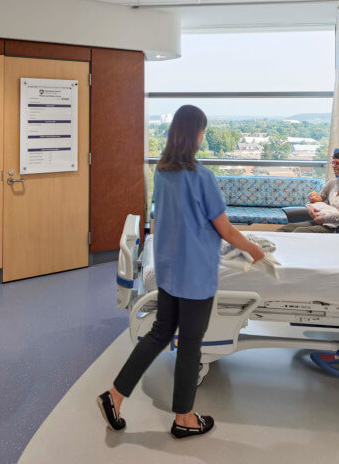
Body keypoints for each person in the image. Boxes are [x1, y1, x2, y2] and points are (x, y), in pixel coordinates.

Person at [97, 105, 265, 439]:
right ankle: (184, 418)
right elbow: (225, 230)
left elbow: (161, 221)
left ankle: (114, 395)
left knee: (160, 334)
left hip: (170, 271)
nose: (203, 137)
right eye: (202, 131)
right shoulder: (203, 177)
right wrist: (254, 249)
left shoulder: (162, 172)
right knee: (190, 345)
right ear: (195, 135)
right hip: (196, 276)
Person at [279, 150, 339, 233]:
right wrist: (309, 206)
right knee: (288, 228)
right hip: (328, 221)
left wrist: (325, 218)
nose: (333, 166)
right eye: (332, 163)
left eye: (337, 163)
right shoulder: (333, 183)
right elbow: (316, 199)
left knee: (299, 231)